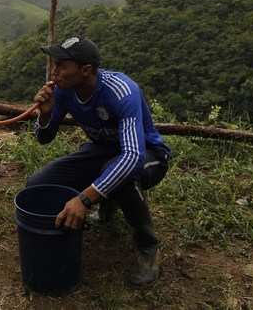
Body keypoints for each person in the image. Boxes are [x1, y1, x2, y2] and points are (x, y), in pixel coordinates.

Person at [29, 36, 171, 285]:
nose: (55, 71)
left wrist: (84, 199)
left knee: (122, 175)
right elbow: (44, 138)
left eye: (62, 65)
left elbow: (132, 156)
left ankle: (148, 246)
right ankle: (107, 204)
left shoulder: (122, 91)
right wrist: (45, 114)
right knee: (38, 184)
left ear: (85, 70)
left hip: (148, 154)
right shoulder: (63, 91)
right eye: (55, 64)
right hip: (102, 150)